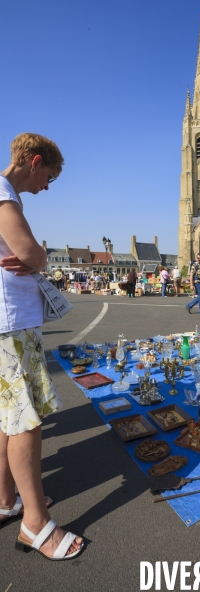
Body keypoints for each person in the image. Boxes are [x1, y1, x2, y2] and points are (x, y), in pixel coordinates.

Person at [0, 133, 83, 560]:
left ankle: (6, 498)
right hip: (12, 323)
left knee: (8, 418)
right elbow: (30, 253)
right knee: (25, 421)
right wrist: (40, 254)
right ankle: (35, 525)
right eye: (48, 177)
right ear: (34, 162)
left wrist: (32, 256)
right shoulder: (3, 194)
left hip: (7, 323)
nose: (47, 187)